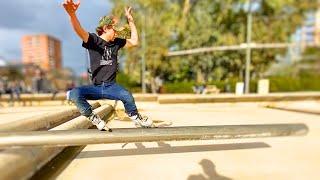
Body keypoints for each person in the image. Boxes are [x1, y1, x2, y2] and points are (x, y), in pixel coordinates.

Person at [62, 0, 153, 131]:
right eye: (114, 29)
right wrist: (72, 15)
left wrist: (131, 21)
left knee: (127, 95)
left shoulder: (116, 43)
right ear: (106, 28)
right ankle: (93, 118)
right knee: (74, 93)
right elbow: (79, 31)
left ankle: (136, 117)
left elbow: (134, 41)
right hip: (96, 87)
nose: (116, 32)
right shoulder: (93, 40)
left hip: (112, 86)